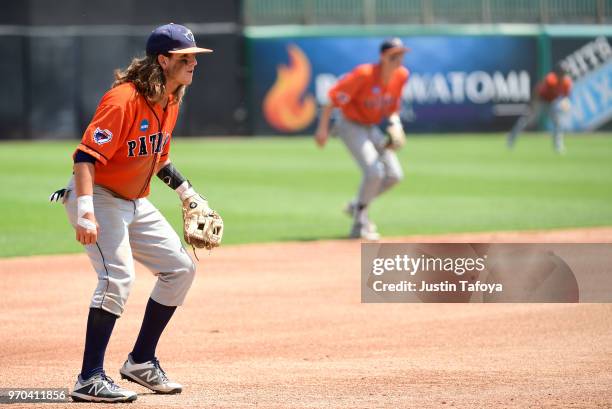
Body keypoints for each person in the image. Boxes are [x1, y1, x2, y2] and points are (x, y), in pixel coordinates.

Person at [51, 23, 218, 403]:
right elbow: (84, 158)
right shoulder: (123, 100)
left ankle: (141, 361)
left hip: (135, 200)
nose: (193, 64)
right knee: (117, 279)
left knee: (180, 268)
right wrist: (85, 213)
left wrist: (189, 194)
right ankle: (88, 378)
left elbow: (158, 158)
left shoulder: (171, 99)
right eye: (185, 58)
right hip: (100, 196)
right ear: (163, 60)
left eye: (195, 57)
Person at [315, 38, 410, 240]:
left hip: (370, 126)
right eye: (394, 55)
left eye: (401, 55)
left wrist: (396, 124)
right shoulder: (364, 74)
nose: (398, 59)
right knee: (374, 171)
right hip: (349, 125)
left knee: (394, 175)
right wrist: (322, 130)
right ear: (383, 57)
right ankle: (360, 223)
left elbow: (393, 108)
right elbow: (332, 99)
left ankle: (356, 205)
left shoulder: (401, 76)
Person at [507, 66, 573, 153]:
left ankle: (558, 146)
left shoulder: (567, 82)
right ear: (557, 74)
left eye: (565, 74)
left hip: (552, 103)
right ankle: (511, 139)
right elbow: (537, 91)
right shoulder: (550, 80)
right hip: (540, 101)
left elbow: (566, 97)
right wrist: (532, 104)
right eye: (562, 74)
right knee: (526, 121)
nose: (563, 76)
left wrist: (565, 104)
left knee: (558, 123)